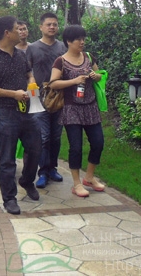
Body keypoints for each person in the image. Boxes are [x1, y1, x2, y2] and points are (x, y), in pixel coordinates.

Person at [0, 16, 42, 215]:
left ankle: (27, 180)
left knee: (35, 148)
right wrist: (13, 94)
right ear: (7, 33)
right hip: (5, 112)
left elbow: (29, 74)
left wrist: (31, 83)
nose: (21, 31)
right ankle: (9, 199)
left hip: (26, 110)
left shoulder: (21, 55)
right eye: (17, 29)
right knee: (7, 159)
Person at [48, 24, 105, 198]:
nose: (82, 42)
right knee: (76, 147)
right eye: (78, 39)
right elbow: (53, 83)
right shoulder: (60, 61)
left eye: (83, 39)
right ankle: (76, 183)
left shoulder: (88, 56)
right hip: (71, 108)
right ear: (68, 41)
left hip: (91, 107)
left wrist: (96, 76)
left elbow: (100, 75)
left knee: (98, 142)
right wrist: (74, 81)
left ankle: (89, 177)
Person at [26, 12, 67, 189]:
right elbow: (27, 72)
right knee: (43, 137)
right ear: (41, 27)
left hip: (58, 98)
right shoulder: (32, 48)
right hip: (39, 98)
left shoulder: (63, 47)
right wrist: (31, 92)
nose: (52, 27)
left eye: (55, 24)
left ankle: (52, 168)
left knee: (56, 137)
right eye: (48, 24)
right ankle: (42, 172)